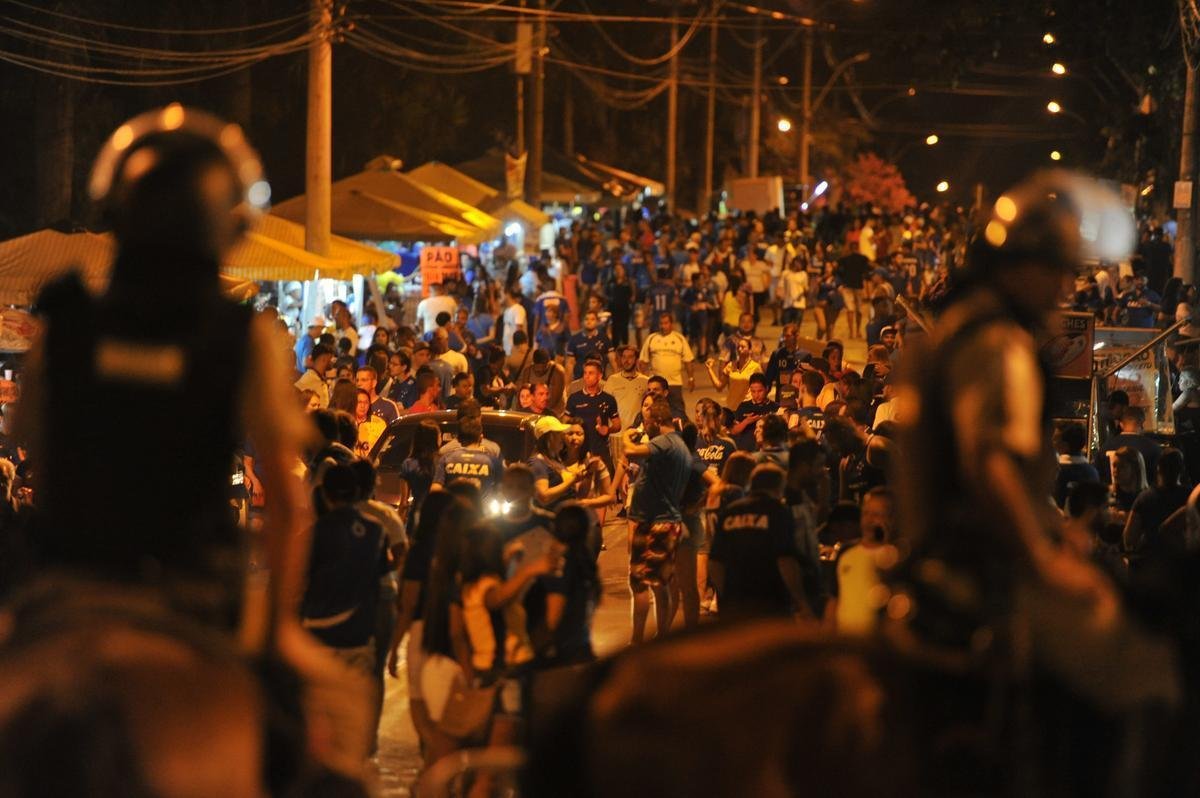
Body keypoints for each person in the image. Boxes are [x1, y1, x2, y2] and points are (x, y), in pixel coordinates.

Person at [894, 171, 1179, 724]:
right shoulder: (999, 343)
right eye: (1057, 270)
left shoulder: (957, 326)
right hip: (983, 571)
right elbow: (988, 465)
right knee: (1148, 673)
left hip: (944, 556)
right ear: (1018, 266)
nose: (1064, 288)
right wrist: (1044, 562)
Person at [622, 398, 693, 643]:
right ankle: (646, 639)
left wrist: (626, 435)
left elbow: (630, 450)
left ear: (657, 421)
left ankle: (650, 640)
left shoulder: (666, 441)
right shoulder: (678, 445)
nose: (645, 426)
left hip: (658, 522)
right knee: (650, 583)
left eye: (647, 422)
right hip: (655, 519)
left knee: (651, 583)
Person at [709, 463, 813, 621]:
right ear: (779, 487)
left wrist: (725, 596)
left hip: (734, 604)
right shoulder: (778, 511)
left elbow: (715, 562)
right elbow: (785, 560)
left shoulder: (731, 511)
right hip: (769, 603)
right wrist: (801, 601)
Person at [826, 486, 893, 635]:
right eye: (866, 513)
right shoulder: (845, 553)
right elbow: (834, 599)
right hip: (846, 642)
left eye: (877, 514)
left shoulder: (894, 557)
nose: (869, 520)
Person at [1124, 447, 1190, 555]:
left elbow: (1129, 538)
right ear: (1182, 469)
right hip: (1185, 561)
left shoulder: (1145, 498)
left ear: (1158, 468)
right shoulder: (1191, 497)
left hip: (1153, 561)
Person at [565, 360, 622, 471]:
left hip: (601, 451)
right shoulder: (574, 398)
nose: (587, 376)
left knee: (607, 484)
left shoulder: (608, 399)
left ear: (599, 376)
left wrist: (608, 430)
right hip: (579, 452)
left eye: (591, 373)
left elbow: (618, 425)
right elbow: (565, 424)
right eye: (585, 373)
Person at [639, 312, 696, 419]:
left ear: (671, 324)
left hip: (674, 383)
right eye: (661, 323)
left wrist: (691, 378)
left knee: (678, 411)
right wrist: (643, 380)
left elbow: (688, 360)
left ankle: (681, 432)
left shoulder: (679, 339)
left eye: (666, 323)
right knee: (654, 411)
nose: (663, 326)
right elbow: (643, 361)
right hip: (656, 386)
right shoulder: (652, 338)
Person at [433, 415, 501, 497]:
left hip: (454, 507)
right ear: (481, 438)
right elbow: (503, 487)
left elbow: (435, 489)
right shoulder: (492, 461)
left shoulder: (446, 458)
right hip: (482, 509)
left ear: (459, 439)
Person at [1095, 405, 1163, 484]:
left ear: (1121, 424)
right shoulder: (1153, 448)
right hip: (1142, 494)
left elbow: (1098, 476)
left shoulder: (1105, 447)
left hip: (1112, 494)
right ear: (1142, 424)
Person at [704, 337, 762, 425]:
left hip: (748, 409)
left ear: (750, 350)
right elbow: (719, 387)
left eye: (743, 347)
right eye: (738, 347)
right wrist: (709, 369)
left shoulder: (755, 367)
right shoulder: (731, 365)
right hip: (732, 409)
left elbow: (762, 390)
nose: (739, 349)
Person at [1053, 422, 1100, 509]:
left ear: (1065, 445)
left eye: (1055, 439)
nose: (1052, 442)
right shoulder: (1092, 472)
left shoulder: (1056, 471)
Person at [730, 374, 778, 451]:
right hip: (746, 451)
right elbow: (734, 431)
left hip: (768, 451)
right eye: (753, 391)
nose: (756, 395)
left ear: (767, 388)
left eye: (760, 391)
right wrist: (746, 422)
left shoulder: (775, 407)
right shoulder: (743, 406)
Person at [565, 310, 615, 380]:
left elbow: (613, 360)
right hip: (580, 381)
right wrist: (567, 385)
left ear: (597, 322)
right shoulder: (574, 339)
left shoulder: (604, 338)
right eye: (586, 319)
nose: (589, 321)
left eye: (592, 319)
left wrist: (616, 381)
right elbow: (569, 364)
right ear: (582, 322)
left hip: (600, 382)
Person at [296, 343, 335, 408]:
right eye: (331, 359)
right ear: (324, 359)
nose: (333, 362)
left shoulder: (319, 378)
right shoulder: (308, 379)